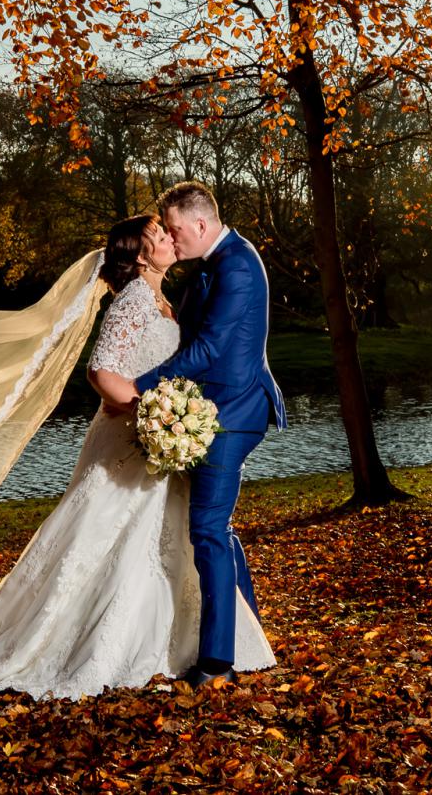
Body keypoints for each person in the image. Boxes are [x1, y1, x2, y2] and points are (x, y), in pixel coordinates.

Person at [0, 214, 275, 699]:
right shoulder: (132, 303)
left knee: (170, 539)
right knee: (104, 538)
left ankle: (178, 644)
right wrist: (152, 411)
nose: (169, 237)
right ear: (142, 255)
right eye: (159, 235)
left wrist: (172, 417)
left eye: (170, 232)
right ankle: (90, 645)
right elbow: (101, 371)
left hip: (157, 442)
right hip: (132, 439)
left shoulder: (167, 300)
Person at [133, 182, 287, 689]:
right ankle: (247, 636)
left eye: (175, 230)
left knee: (206, 530)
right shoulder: (210, 265)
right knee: (215, 527)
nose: (172, 241)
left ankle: (218, 662)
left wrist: (138, 386)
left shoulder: (237, 265)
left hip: (236, 409)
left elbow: (208, 351)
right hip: (209, 407)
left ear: (200, 225)